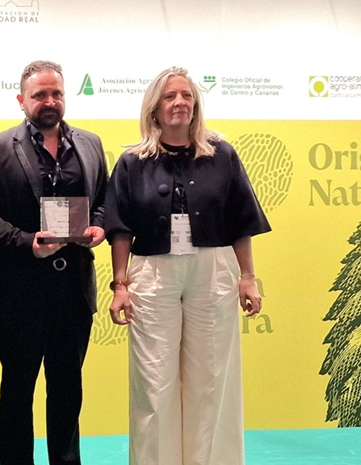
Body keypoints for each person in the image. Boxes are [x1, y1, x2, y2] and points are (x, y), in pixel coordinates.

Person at [105, 66, 270, 465]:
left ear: (195, 106)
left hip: (213, 269)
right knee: (154, 382)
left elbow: (240, 222)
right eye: (169, 96)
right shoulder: (131, 161)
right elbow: (120, 229)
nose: (179, 102)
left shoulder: (222, 154)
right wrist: (120, 285)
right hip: (152, 273)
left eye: (186, 96)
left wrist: (248, 278)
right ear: (154, 108)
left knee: (210, 380)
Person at [0, 60, 107, 465]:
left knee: (68, 389)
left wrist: (98, 226)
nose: (49, 101)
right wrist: (26, 242)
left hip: (73, 289)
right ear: (21, 99)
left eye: (56, 93)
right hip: (17, 290)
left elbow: (104, 200)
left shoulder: (90, 144)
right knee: (17, 390)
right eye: (40, 95)